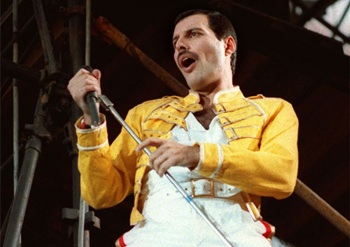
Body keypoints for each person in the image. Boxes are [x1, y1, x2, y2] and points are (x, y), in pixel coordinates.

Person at [67, 9, 298, 247]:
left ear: (228, 46)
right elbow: (101, 193)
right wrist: (91, 118)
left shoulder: (272, 110)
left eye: (193, 34)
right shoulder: (146, 114)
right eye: (176, 41)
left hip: (237, 239)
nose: (180, 46)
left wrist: (196, 155)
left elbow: (281, 175)